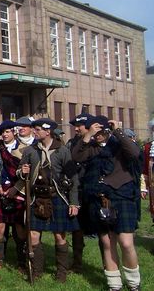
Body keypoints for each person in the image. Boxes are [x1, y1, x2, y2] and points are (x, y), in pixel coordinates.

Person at [72, 116, 142, 291]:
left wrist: (118, 131)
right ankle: (114, 285)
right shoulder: (91, 147)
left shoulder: (118, 143)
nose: (98, 135)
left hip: (122, 196)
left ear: (107, 130)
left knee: (126, 242)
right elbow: (76, 156)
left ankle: (134, 283)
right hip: (100, 199)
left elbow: (135, 153)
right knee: (107, 243)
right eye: (95, 131)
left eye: (101, 131)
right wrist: (88, 135)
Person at [18, 118, 79, 283]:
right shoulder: (30, 150)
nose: (34, 132)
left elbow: (73, 178)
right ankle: (37, 271)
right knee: (33, 235)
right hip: (37, 198)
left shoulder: (62, 151)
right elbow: (20, 172)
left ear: (48, 131)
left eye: (37, 129)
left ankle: (61, 273)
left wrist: (73, 202)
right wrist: (23, 172)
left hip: (57, 197)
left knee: (59, 236)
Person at [0, 120, 27, 271]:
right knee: (0, 227)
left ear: (14, 132)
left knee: (19, 227)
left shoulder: (23, 148)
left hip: (18, 190)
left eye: (7, 132)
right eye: (3, 132)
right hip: (1, 190)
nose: (5, 135)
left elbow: (26, 172)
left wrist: (15, 188)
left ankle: (21, 262)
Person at [66, 112, 92, 273]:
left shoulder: (97, 142)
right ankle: (77, 262)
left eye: (79, 126)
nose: (76, 129)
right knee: (77, 228)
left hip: (94, 189)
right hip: (78, 188)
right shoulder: (72, 143)